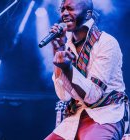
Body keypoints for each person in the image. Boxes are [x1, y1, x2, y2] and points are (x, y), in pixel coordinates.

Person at [45, 0, 128, 139]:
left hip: (105, 114)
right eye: (62, 9)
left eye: (70, 9)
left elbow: (94, 96)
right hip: (77, 115)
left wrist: (68, 69)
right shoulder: (66, 46)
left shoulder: (107, 43)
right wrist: (57, 50)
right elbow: (64, 96)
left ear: (88, 14)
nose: (64, 13)